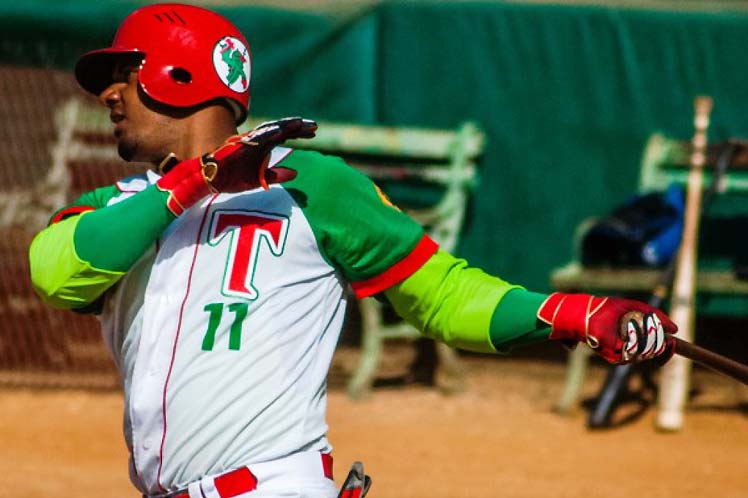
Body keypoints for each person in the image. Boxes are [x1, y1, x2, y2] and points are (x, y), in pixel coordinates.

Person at [28, 4, 677, 498]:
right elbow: (56, 272)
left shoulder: (316, 188)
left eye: (125, 73)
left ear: (180, 75)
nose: (108, 93)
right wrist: (190, 182)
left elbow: (445, 295)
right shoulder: (115, 209)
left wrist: (574, 312)